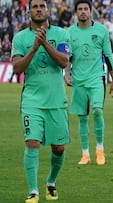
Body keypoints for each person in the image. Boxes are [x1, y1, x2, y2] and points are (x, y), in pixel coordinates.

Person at [11, 0, 71, 202]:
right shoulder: (20, 38)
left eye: (41, 6)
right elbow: (17, 68)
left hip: (56, 100)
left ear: (48, 10)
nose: (38, 9)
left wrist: (44, 43)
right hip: (31, 100)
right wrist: (34, 47)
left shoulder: (62, 34)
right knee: (32, 142)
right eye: (34, 6)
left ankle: (51, 183)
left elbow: (64, 62)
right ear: (29, 12)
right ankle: (33, 191)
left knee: (59, 148)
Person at [65, 0, 113, 166]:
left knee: (97, 111)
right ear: (76, 12)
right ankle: (85, 154)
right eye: (79, 9)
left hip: (96, 78)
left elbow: (108, 56)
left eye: (85, 9)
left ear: (90, 11)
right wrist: (67, 74)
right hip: (78, 80)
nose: (83, 12)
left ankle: (100, 149)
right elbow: (67, 58)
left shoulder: (101, 30)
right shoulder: (69, 33)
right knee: (82, 117)